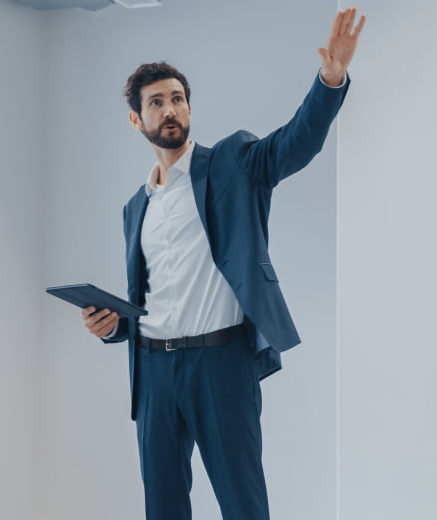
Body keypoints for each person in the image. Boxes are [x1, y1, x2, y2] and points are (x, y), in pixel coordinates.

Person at [80, 8, 365, 520]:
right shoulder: (135, 207)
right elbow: (152, 297)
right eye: (156, 102)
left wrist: (330, 79)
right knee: (162, 507)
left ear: (189, 107)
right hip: (154, 370)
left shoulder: (234, 163)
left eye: (177, 99)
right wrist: (113, 325)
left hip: (221, 363)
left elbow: (295, 143)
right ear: (136, 119)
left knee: (242, 504)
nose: (170, 109)